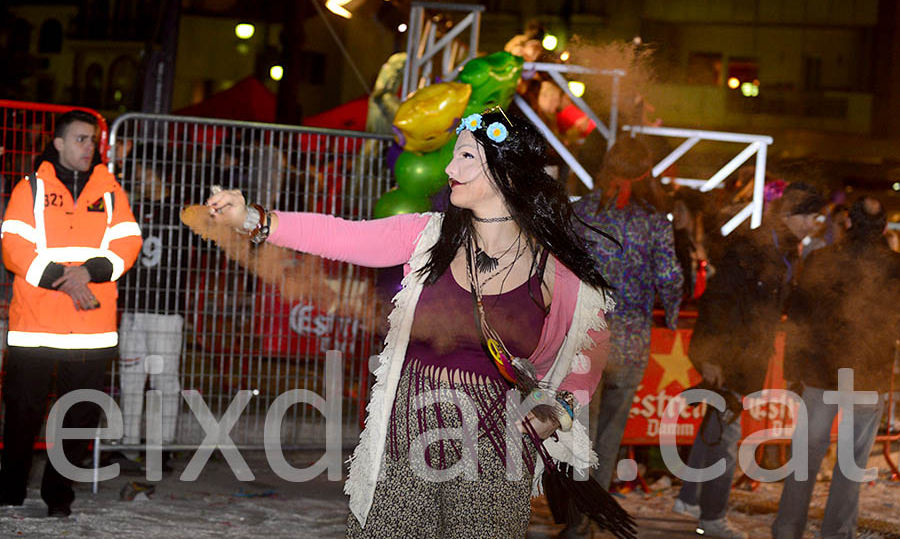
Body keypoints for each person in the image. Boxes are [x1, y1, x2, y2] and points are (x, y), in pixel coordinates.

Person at [207, 110, 617, 538]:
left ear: (505, 174)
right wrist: (254, 220)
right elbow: (341, 236)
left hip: (498, 437)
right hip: (408, 427)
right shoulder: (427, 237)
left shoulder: (554, 270)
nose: (449, 168)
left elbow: (590, 343)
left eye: (465, 157)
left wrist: (559, 408)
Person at [0, 110, 142, 517]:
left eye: (93, 140)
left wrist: (88, 272)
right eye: (80, 139)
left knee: (78, 418)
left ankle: (58, 496)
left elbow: (127, 244)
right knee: (23, 415)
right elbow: (14, 247)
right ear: (58, 143)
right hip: (36, 327)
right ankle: (9, 490)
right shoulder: (30, 188)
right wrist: (69, 278)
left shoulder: (111, 192)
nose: (89, 147)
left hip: (90, 330)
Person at [677, 182, 825, 539]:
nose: (814, 224)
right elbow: (719, 297)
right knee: (726, 435)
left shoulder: (788, 248)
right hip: (732, 351)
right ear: (791, 214)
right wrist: (709, 354)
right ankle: (712, 517)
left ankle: (689, 498)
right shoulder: (755, 245)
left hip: (751, 350)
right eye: (810, 216)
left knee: (716, 422)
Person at [559, 138, 684, 538]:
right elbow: (670, 277)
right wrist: (674, 313)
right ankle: (593, 518)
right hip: (631, 340)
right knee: (609, 438)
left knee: (580, 434)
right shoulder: (654, 223)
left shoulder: (579, 214)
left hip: (585, 336)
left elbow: (558, 268)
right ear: (646, 173)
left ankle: (578, 523)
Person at [772, 196, 900, 539]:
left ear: (847, 223)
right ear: (884, 227)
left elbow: (798, 318)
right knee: (851, 462)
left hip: (820, 373)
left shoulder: (821, 260)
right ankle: (837, 533)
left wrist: (793, 371)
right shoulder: (894, 266)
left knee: (805, 457)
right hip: (867, 375)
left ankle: (787, 529)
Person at [116, 142, 191, 463]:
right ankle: (127, 443)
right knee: (129, 377)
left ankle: (162, 447)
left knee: (163, 379)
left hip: (165, 311)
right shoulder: (132, 209)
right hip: (133, 307)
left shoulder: (183, 214)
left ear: (156, 172)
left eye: (140, 169)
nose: (136, 176)